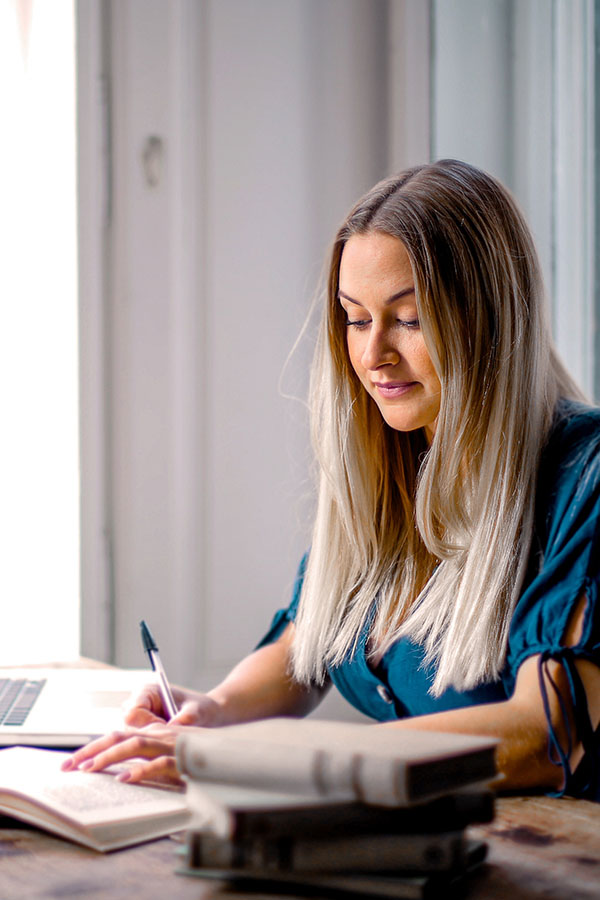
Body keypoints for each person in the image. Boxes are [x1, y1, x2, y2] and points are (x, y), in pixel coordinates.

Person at [63, 159, 600, 800]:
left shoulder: (583, 477)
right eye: (355, 318)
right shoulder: (393, 458)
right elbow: (306, 644)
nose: (373, 356)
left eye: (409, 318)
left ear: (491, 323)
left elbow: (546, 733)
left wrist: (272, 757)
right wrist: (216, 711)